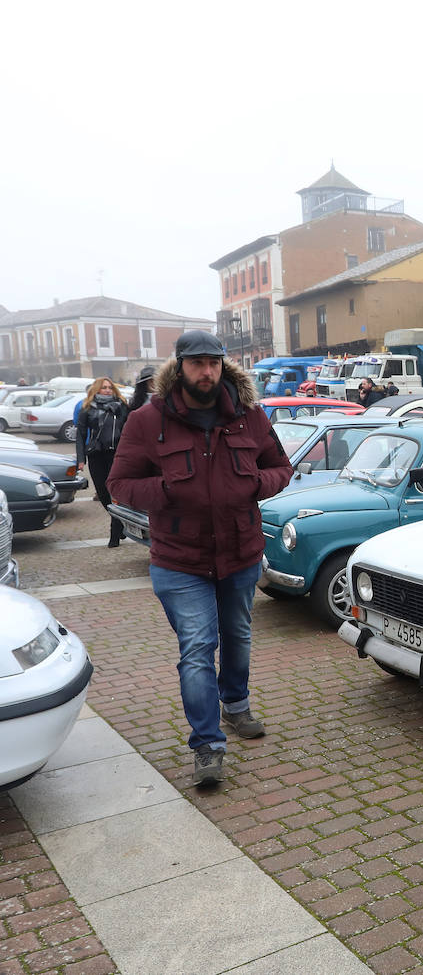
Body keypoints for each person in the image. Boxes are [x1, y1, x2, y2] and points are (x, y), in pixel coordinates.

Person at [108, 330, 294, 788]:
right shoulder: (147, 420)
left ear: (223, 365)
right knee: (196, 650)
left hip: (241, 551)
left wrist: (253, 485)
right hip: (179, 559)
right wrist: (168, 490)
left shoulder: (249, 416)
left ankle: (235, 705)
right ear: (180, 367)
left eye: (213, 363)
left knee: (238, 637)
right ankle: (207, 745)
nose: (206, 371)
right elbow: (120, 483)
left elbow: (281, 468)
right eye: (197, 363)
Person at [75, 377, 130, 547]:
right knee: (102, 492)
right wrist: (80, 459)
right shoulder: (87, 408)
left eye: (110, 387)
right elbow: (81, 434)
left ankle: (114, 534)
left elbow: (129, 429)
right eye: (104, 387)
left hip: (117, 454)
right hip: (96, 455)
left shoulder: (121, 406)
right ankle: (120, 522)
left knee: (116, 493)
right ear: (97, 389)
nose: (107, 390)